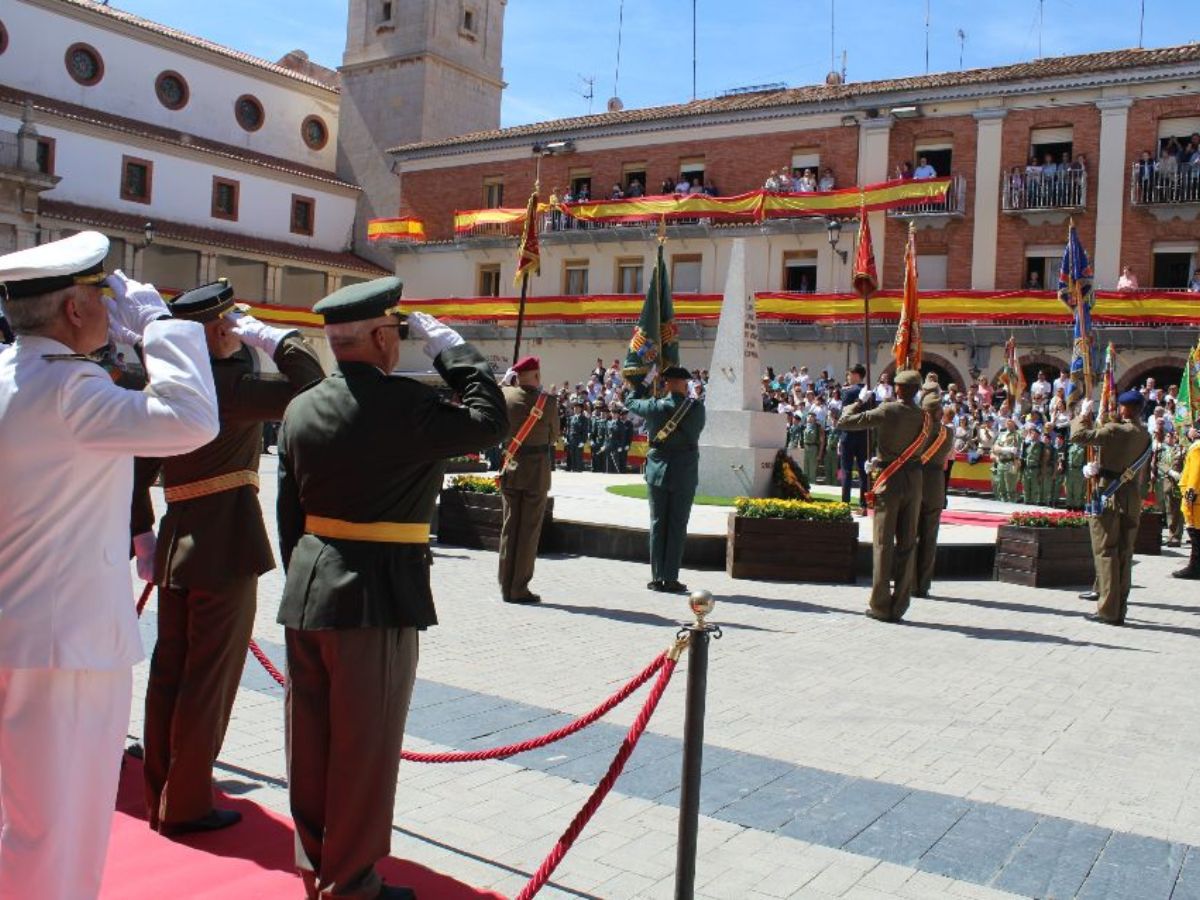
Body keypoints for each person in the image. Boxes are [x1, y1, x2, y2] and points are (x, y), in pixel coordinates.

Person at [0, 232, 219, 900]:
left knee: (27, 819)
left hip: (23, 631)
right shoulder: (71, 390)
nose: (109, 308)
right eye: (102, 296)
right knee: (58, 826)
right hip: (67, 648)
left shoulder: (14, 373)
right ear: (73, 310)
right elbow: (191, 418)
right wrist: (160, 325)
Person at [276, 277, 507, 899]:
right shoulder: (404, 405)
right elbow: (491, 420)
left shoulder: (300, 408)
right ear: (381, 336)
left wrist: (303, 576)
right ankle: (350, 884)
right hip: (374, 595)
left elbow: (288, 515)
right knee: (364, 747)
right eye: (396, 334)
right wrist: (451, 350)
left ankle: (317, 864)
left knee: (311, 743)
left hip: (308, 590)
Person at [132, 280, 324, 836]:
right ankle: (186, 804)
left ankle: (160, 791)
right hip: (226, 547)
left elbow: (135, 475)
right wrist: (277, 341)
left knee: (169, 673)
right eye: (233, 322)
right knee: (207, 680)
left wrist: (144, 535)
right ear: (219, 329)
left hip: (175, 547)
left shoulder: (166, 387)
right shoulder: (234, 386)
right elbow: (316, 389)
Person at [838, 369, 927, 623]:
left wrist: (857, 401)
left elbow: (845, 421)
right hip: (915, 478)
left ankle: (880, 604)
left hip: (891, 478)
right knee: (908, 542)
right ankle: (899, 604)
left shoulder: (888, 410)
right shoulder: (924, 416)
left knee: (883, 543)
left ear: (898, 389)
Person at [1069, 391, 1153, 625]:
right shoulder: (1144, 434)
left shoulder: (1117, 430)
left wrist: (1083, 415)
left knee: (1106, 552)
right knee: (1125, 553)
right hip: (1131, 497)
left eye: (1119, 407)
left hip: (1109, 493)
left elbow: (1079, 436)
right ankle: (1120, 608)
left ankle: (1107, 610)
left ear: (1126, 409)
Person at [626, 365, 706, 594]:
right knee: (677, 525)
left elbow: (630, 402)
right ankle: (671, 577)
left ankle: (657, 577)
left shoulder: (654, 406)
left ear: (666, 382)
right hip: (685, 471)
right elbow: (697, 431)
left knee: (658, 524)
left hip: (658, 470)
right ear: (684, 383)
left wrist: (643, 383)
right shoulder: (697, 409)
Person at [498, 355, 559, 604]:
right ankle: (519, 588)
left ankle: (505, 585)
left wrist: (505, 384)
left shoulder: (505, 396)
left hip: (510, 467)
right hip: (536, 472)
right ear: (536, 375)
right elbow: (554, 437)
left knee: (509, 528)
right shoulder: (548, 403)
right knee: (528, 532)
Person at [914, 397, 955, 599]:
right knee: (929, 538)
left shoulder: (916, 431)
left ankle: (909, 582)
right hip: (935, 485)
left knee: (910, 535)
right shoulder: (948, 432)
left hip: (915, 483)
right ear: (940, 413)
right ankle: (923, 585)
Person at [1175, 423, 1200, 579]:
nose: (1188, 430)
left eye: (1191, 428)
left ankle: (1195, 567)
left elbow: (1196, 474)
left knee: (1196, 534)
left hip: (1196, 500)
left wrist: (1190, 497)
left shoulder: (1197, 448)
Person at [1155, 427, 1185, 548]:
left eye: (1172, 436)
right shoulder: (1164, 450)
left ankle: (1176, 536)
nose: (1170, 438)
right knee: (1169, 511)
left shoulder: (1182, 449)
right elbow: (1159, 462)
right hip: (1168, 482)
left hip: (1180, 482)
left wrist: (1181, 475)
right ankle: (1171, 535)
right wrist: (1170, 472)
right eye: (1168, 436)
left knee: (1178, 510)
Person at [992, 417, 1021, 501]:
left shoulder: (1017, 434)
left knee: (1011, 487)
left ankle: (1011, 505)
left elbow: (1016, 449)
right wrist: (1006, 449)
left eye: (1011, 422)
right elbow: (995, 448)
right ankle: (1002, 503)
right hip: (1001, 462)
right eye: (1007, 422)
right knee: (1001, 486)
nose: (1009, 424)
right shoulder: (1001, 435)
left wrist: (1002, 449)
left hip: (1011, 462)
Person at [565, 398, 588, 471]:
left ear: (581, 409)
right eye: (575, 407)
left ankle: (578, 469)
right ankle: (572, 469)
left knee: (578, 456)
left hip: (579, 439)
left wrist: (583, 441)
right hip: (571, 439)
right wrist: (566, 438)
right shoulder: (570, 418)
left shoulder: (584, 419)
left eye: (577, 407)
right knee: (571, 455)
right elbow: (568, 429)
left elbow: (585, 431)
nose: (575, 409)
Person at [800, 411, 821, 484]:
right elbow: (801, 438)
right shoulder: (804, 426)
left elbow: (821, 441)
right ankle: (805, 484)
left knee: (812, 468)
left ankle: (812, 484)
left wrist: (820, 453)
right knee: (805, 468)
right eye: (808, 416)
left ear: (814, 418)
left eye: (811, 416)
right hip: (805, 447)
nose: (809, 418)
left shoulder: (817, 427)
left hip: (813, 447)